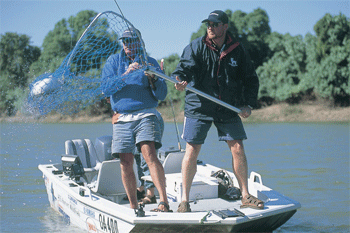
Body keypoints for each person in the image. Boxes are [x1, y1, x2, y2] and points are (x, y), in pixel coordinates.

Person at [172, 10, 264, 212]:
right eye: (208, 24)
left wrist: (248, 104)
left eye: (215, 24)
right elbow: (182, 70)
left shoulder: (237, 50)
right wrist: (180, 80)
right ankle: (184, 201)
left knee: (238, 147)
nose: (210, 27)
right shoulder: (196, 46)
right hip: (199, 105)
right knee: (192, 150)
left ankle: (246, 195)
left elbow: (250, 79)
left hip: (227, 106)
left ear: (225, 26)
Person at [101, 28, 171, 213]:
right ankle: (133, 206)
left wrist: (154, 80)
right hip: (122, 117)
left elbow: (162, 95)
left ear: (139, 42)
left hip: (146, 114)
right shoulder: (113, 62)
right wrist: (126, 74)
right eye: (124, 41)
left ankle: (163, 202)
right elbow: (106, 89)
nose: (127, 45)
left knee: (149, 153)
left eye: (131, 41)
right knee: (125, 160)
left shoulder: (151, 62)